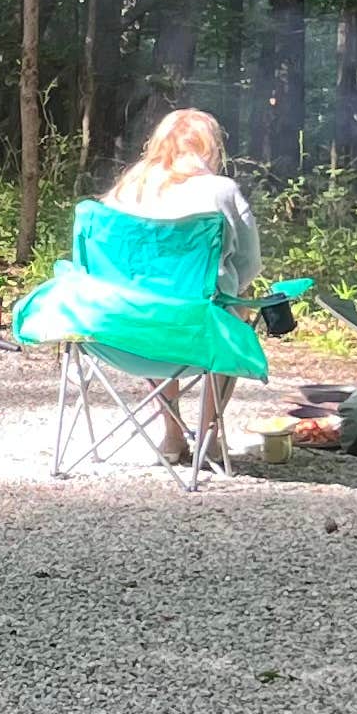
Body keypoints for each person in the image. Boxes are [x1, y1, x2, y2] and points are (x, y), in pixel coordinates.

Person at [99, 108, 260, 464]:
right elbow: (249, 265)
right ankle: (208, 435)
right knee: (233, 306)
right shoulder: (221, 190)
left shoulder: (126, 188)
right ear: (209, 148)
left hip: (127, 329)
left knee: (157, 309)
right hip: (200, 330)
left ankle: (172, 434)